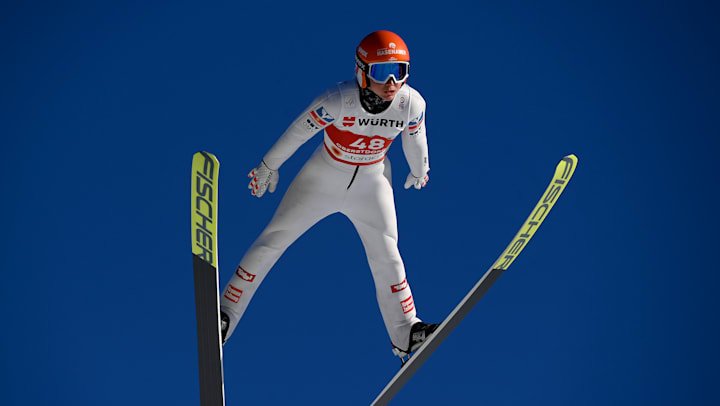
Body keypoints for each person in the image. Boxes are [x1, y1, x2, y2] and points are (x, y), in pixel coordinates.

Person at [219, 30, 437, 359]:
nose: (392, 83)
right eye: (382, 72)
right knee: (273, 240)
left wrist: (420, 169)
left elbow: (416, 138)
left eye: (400, 71)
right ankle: (225, 314)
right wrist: (269, 165)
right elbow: (297, 132)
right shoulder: (338, 100)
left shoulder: (411, 104)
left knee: (388, 255)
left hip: (372, 184)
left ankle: (406, 330)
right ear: (362, 72)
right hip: (323, 178)